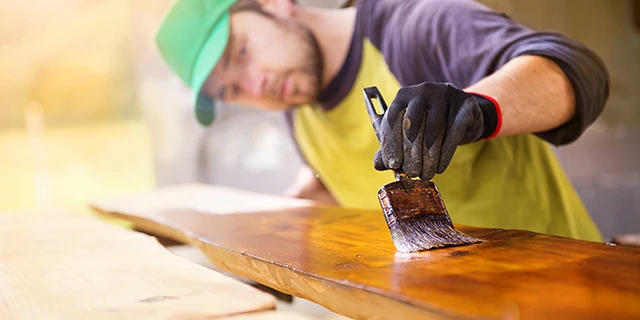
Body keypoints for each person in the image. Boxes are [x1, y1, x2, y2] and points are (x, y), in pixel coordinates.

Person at [154, 0, 609, 241]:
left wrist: (478, 108)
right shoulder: (299, 109)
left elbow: (574, 71)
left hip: (562, 294)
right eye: (231, 91)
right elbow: (340, 179)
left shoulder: (415, 27)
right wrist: (280, 229)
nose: (257, 86)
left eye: (243, 53)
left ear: (274, 4)